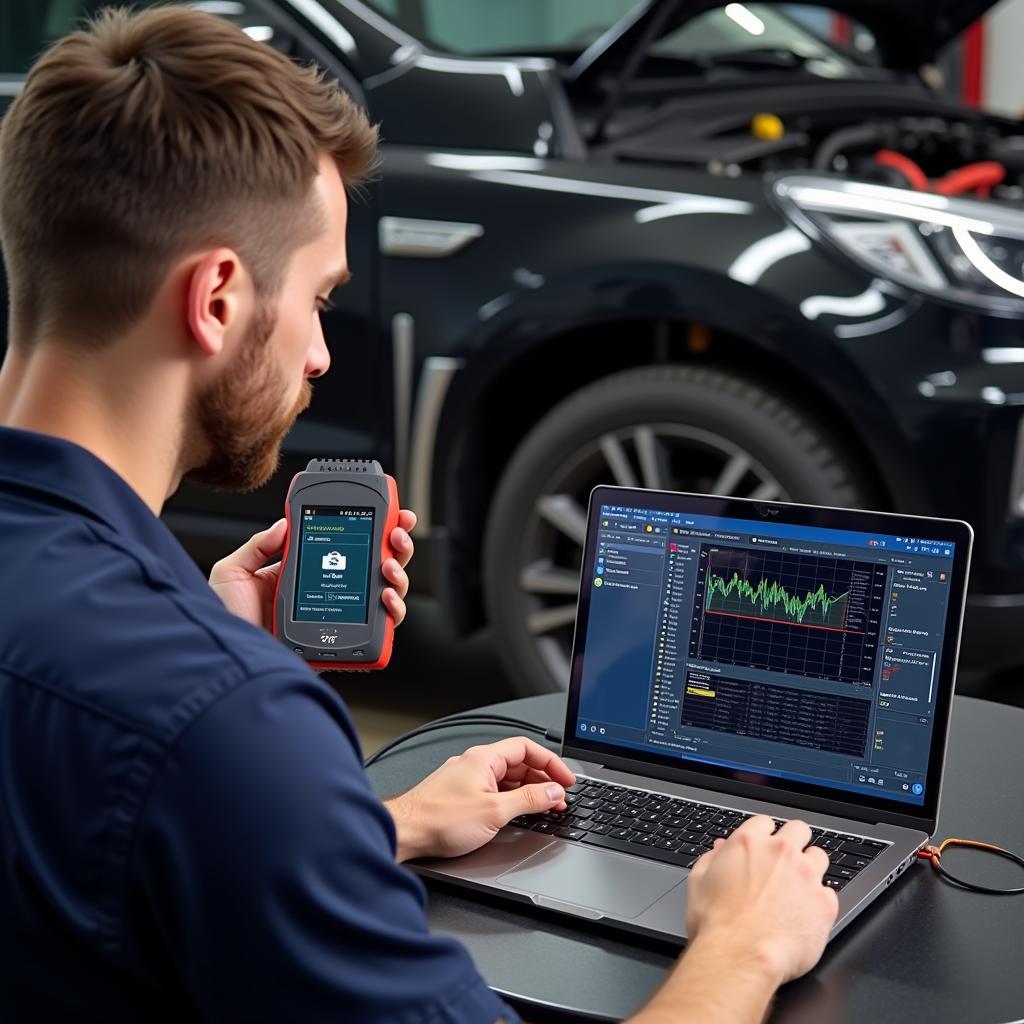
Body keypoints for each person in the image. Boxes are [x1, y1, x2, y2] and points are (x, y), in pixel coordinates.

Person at [0, 7, 838, 1022]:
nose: (319, 355)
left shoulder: (172, 684)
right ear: (217, 298)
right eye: (318, 299)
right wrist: (743, 944)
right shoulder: (225, 719)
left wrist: (357, 825)